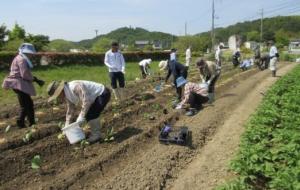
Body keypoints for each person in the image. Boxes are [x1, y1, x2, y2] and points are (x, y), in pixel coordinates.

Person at [2, 43, 44, 128]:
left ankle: (31, 122)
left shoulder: (19, 57)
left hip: (18, 83)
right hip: (19, 84)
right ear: (26, 52)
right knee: (25, 105)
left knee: (28, 103)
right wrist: (34, 79)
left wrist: (34, 78)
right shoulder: (22, 60)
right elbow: (24, 74)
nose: (32, 55)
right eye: (31, 53)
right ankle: (20, 122)